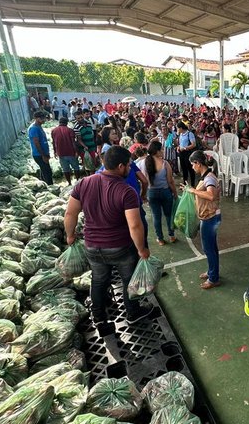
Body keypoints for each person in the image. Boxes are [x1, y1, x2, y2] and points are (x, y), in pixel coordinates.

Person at [64, 146, 151, 337]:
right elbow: (135, 226)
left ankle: (100, 318)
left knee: (99, 280)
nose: (130, 168)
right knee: (128, 280)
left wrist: (70, 235)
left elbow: (70, 213)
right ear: (120, 166)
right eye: (128, 164)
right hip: (120, 248)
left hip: (92, 246)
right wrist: (141, 248)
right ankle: (132, 313)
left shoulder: (83, 183)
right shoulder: (126, 191)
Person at [183, 150, 221, 289]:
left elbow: (210, 195)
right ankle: (213, 272)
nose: (192, 167)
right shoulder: (206, 176)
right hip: (209, 216)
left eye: (193, 164)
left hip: (210, 218)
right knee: (211, 247)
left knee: (209, 248)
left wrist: (192, 191)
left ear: (198, 163)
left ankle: (213, 278)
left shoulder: (209, 178)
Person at [145, 141, 178, 246]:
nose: (163, 151)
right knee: (169, 215)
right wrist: (175, 193)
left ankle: (160, 239)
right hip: (165, 192)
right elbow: (170, 181)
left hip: (152, 193)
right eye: (162, 149)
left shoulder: (145, 162)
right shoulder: (165, 163)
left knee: (156, 216)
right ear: (157, 151)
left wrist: (145, 194)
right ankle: (171, 235)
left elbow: (145, 181)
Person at [51, 117, 82, 186]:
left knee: (65, 169)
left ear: (59, 122)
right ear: (67, 123)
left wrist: (55, 152)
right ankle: (78, 181)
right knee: (76, 168)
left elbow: (53, 142)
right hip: (71, 152)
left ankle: (69, 183)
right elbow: (73, 142)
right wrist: (76, 151)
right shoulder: (70, 130)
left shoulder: (54, 131)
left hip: (61, 153)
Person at [28, 111, 53, 185]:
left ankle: (43, 185)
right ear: (36, 118)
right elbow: (36, 143)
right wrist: (43, 155)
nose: (44, 120)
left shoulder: (39, 126)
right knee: (47, 172)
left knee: (44, 170)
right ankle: (50, 187)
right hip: (39, 154)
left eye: (44, 118)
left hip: (43, 153)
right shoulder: (34, 128)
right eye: (41, 118)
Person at [177, 122, 197, 187]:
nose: (178, 130)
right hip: (181, 153)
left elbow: (193, 144)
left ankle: (193, 184)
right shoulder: (181, 134)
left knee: (190, 169)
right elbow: (180, 143)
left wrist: (185, 148)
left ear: (181, 128)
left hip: (187, 153)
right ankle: (185, 184)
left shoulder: (189, 134)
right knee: (184, 169)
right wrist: (178, 147)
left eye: (178, 128)